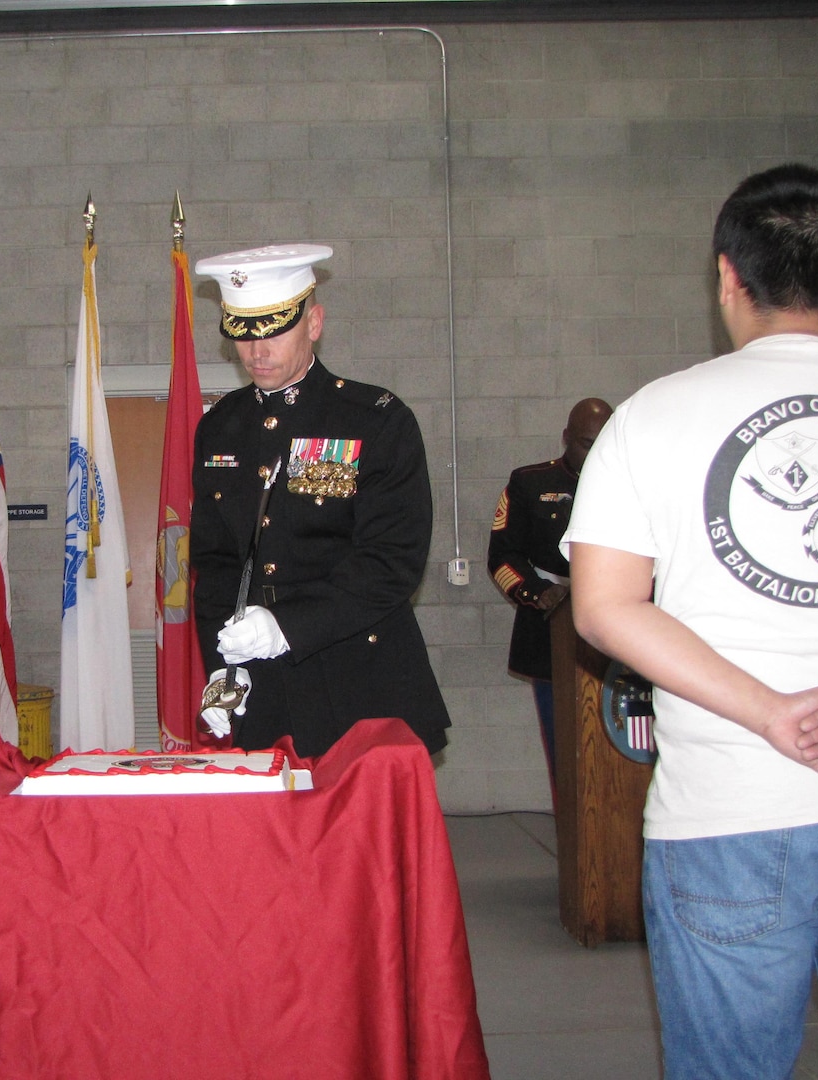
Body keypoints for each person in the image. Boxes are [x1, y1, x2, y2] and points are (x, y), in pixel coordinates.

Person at [563, 163, 818, 1079]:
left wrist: (771, 712)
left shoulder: (650, 420)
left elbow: (603, 609)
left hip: (732, 813)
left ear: (725, 276)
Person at [190, 243, 451, 758]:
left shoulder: (374, 420)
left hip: (359, 683)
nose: (256, 351)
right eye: (242, 333)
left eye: (273, 329)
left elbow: (390, 562)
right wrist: (223, 668)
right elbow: (217, 564)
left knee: (365, 838)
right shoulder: (221, 427)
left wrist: (288, 626)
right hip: (262, 691)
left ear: (314, 323)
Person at [487, 397, 611, 792]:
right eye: (587, 443)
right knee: (565, 749)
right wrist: (536, 592)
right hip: (551, 629)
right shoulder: (531, 483)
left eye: (605, 441)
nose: (596, 453)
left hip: (619, 630)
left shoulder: (635, 482)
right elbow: (503, 555)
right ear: (566, 439)